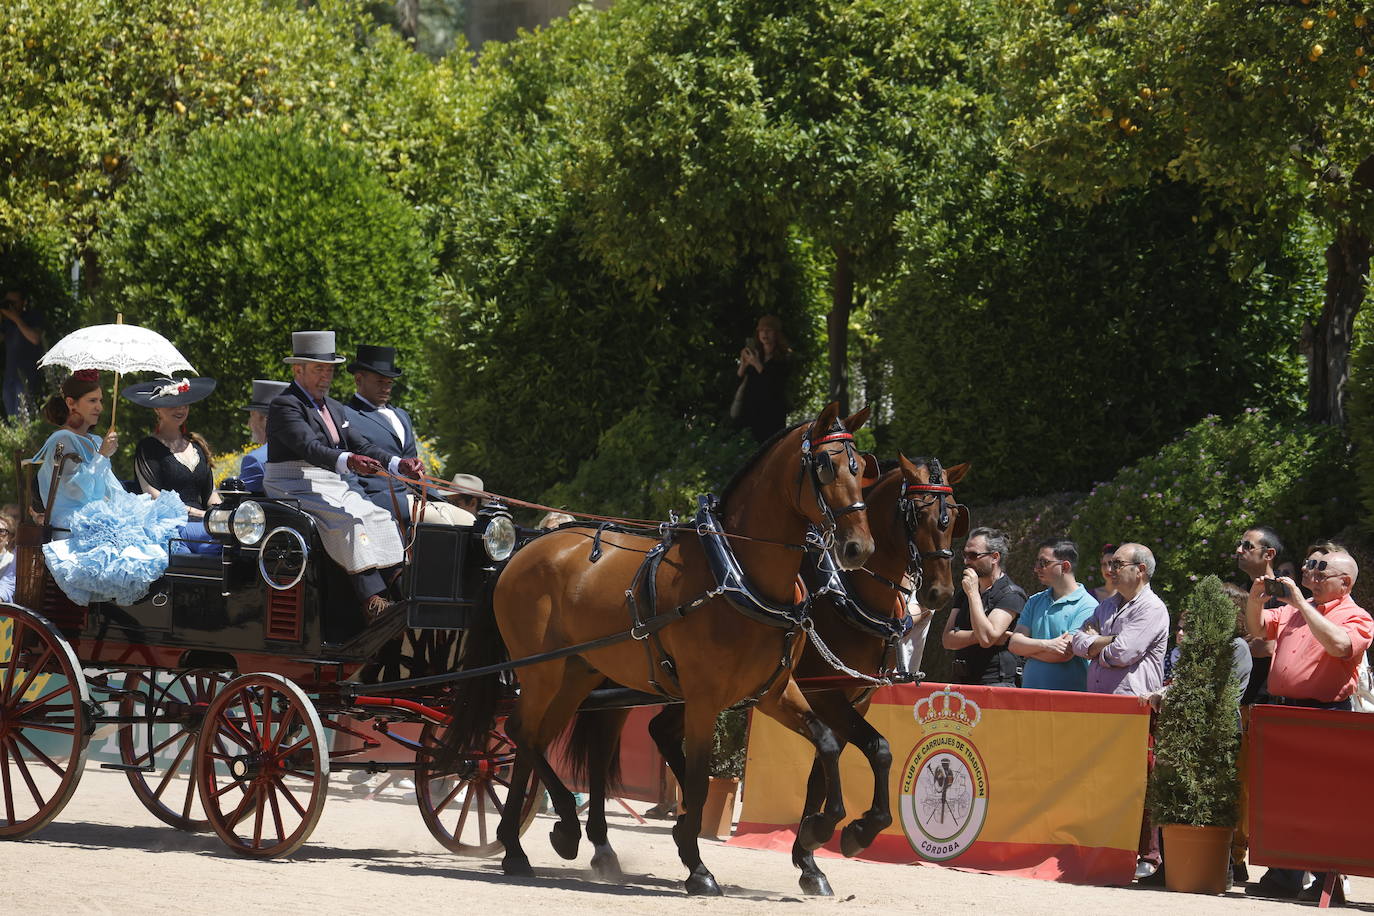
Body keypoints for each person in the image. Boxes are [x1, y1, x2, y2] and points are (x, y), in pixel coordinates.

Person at [1245, 545, 1374, 903]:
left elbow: (1340, 646)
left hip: (1326, 716)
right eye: (1308, 570)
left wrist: (1301, 604)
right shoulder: (1294, 609)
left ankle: (1328, 879)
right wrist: (1256, 598)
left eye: (1320, 572)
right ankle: (1285, 875)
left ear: (1344, 582)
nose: (1309, 577)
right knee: (1284, 798)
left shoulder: (1355, 614)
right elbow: (1257, 628)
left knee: (1324, 802)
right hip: (1285, 711)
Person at [264, 331, 421, 620]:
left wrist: (400, 464)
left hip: (328, 481)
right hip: (292, 483)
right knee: (346, 520)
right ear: (298, 369)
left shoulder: (334, 408)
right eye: (319, 369)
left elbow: (363, 445)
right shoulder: (285, 405)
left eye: (330, 370)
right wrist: (349, 460)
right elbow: (309, 447)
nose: (326, 376)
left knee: (378, 516)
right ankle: (371, 598)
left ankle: (399, 585)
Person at [34, 370, 187, 605]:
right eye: (92, 401)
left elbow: (110, 489)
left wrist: (131, 510)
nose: (100, 408)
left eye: (101, 401)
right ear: (71, 403)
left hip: (99, 515)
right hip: (73, 521)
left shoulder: (95, 440)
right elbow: (75, 490)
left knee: (152, 528)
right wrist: (101, 457)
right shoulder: (61, 440)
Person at [1069, 542, 1169, 879]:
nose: (1110, 569)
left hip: (1134, 711)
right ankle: (1110, 848)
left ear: (1140, 570)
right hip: (1102, 709)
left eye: (1117, 563)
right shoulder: (1107, 605)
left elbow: (1123, 653)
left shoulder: (1152, 608)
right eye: (1109, 563)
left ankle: (1148, 856)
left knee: (1139, 783)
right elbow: (1076, 641)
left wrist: (1099, 641)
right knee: (1103, 783)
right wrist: (1101, 642)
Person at [342, 345, 469, 526]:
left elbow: (411, 460)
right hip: (380, 498)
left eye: (389, 383)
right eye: (379, 382)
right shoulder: (347, 415)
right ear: (358, 379)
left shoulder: (401, 415)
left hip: (416, 495)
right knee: (457, 521)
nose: (386, 388)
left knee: (472, 521)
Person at [125, 377, 222, 555]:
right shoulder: (148, 448)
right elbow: (154, 498)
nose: (180, 409)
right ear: (157, 409)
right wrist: (200, 515)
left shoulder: (197, 445)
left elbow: (210, 494)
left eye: (185, 404)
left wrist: (222, 514)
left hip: (202, 526)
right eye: (172, 404)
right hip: (167, 527)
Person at [1008, 538, 1099, 691]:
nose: (1036, 568)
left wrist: (1028, 650)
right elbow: (1014, 644)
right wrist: (1048, 645)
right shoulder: (1034, 601)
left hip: (1068, 702)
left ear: (1065, 566)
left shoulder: (1088, 606)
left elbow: (1064, 653)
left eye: (1043, 563)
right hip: (1030, 698)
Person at [942, 527, 1027, 687]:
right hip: (962, 682)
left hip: (996, 684)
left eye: (973, 555)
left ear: (995, 557)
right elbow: (947, 639)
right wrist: (981, 635)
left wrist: (974, 594)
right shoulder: (965, 592)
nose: (966, 561)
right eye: (965, 554)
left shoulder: (1011, 594)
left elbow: (987, 638)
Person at [734, 315, 790, 442]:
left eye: (768, 330)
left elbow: (775, 385)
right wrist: (743, 364)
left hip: (771, 416)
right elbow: (738, 382)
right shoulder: (756, 354)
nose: (764, 333)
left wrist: (757, 364)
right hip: (749, 412)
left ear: (776, 333)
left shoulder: (783, 358)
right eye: (761, 330)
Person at [238, 379, 290, 495]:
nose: (249, 423)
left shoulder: (255, 460)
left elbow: (244, 506)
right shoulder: (310, 451)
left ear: (266, 420)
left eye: (252, 416)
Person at [0, 287, 44, 419]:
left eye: (14, 302)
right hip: (10, 376)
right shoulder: (6, 322)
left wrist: (16, 319)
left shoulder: (33, 316)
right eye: (9, 302)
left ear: (24, 302)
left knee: (24, 418)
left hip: (26, 376)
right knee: (12, 418)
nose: (11, 306)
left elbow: (35, 338)